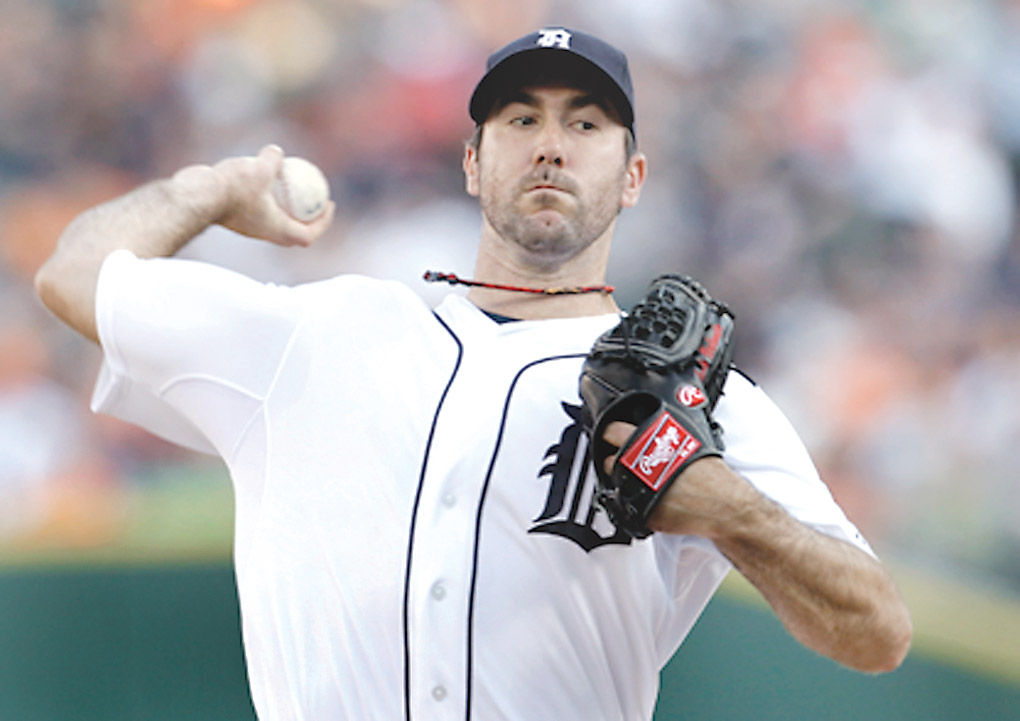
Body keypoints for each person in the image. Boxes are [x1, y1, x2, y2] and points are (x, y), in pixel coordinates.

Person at [35, 27, 911, 721]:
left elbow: (877, 630)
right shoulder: (320, 333)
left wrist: (725, 507)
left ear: (633, 174)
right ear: (471, 160)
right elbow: (72, 276)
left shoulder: (699, 402)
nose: (550, 145)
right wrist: (212, 189)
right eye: (521, 119)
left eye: (586, 123)